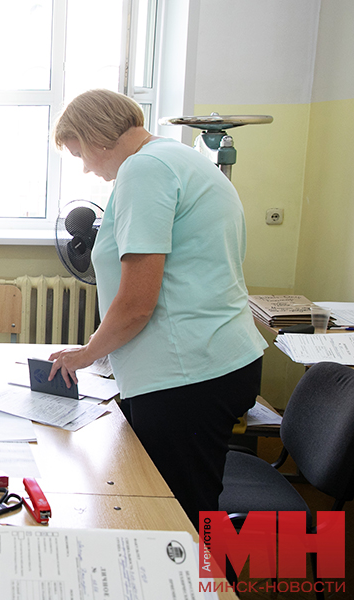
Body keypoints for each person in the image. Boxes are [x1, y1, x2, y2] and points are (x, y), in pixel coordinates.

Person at [47, 89, 267, 529]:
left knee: (175, 520)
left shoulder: (144, 170)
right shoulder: (181, 160)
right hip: (218, 359)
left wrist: (87, 354)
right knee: (173, 502)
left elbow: (137, 303)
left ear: (96, 137)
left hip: (187, 375)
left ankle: (199, 591)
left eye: (80, 154)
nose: (87, 167)